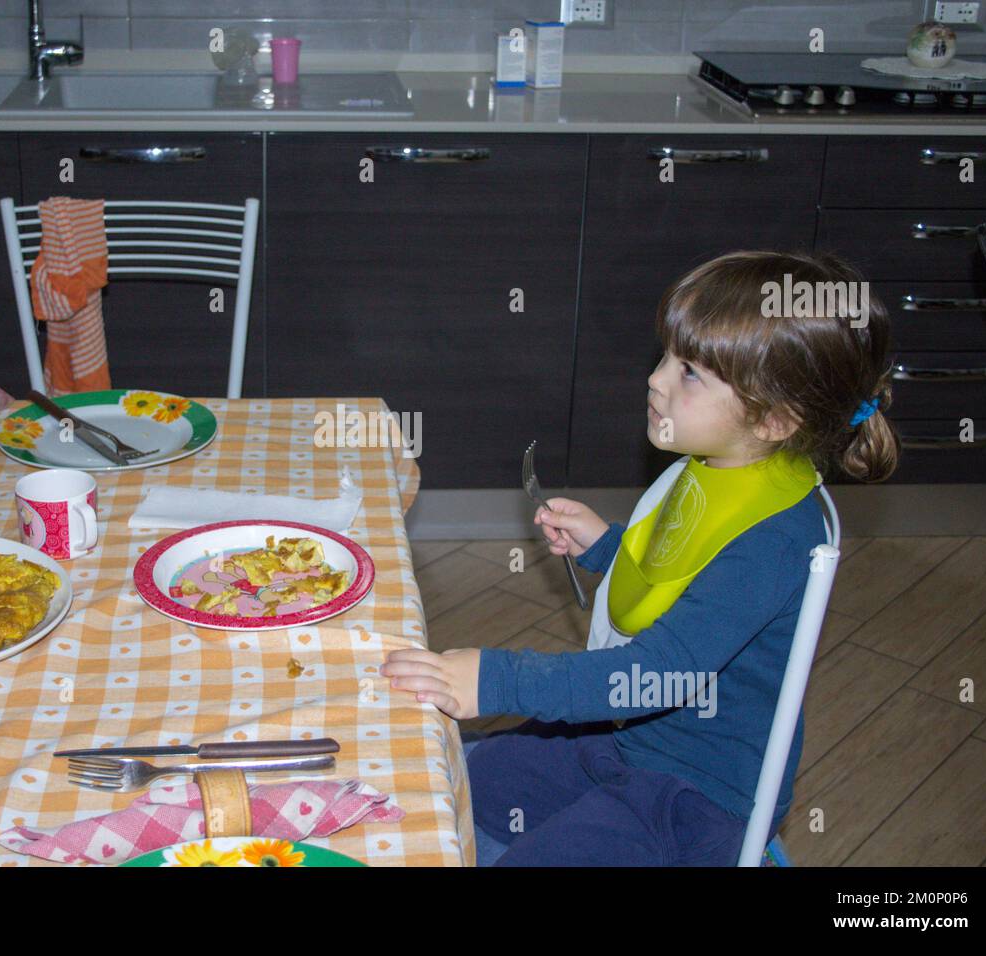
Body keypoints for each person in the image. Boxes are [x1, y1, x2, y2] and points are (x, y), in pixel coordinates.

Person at [382, 250, 901, 866]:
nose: (656, 380)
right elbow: (682, 569)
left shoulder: (778, 541)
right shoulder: (720, 464)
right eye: (668, 357)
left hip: (693, 794)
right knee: (462, 775)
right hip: (625, 740)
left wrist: (499, 680)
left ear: (773, 419)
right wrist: (607, 545)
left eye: (690, 374)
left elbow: (662, 671)